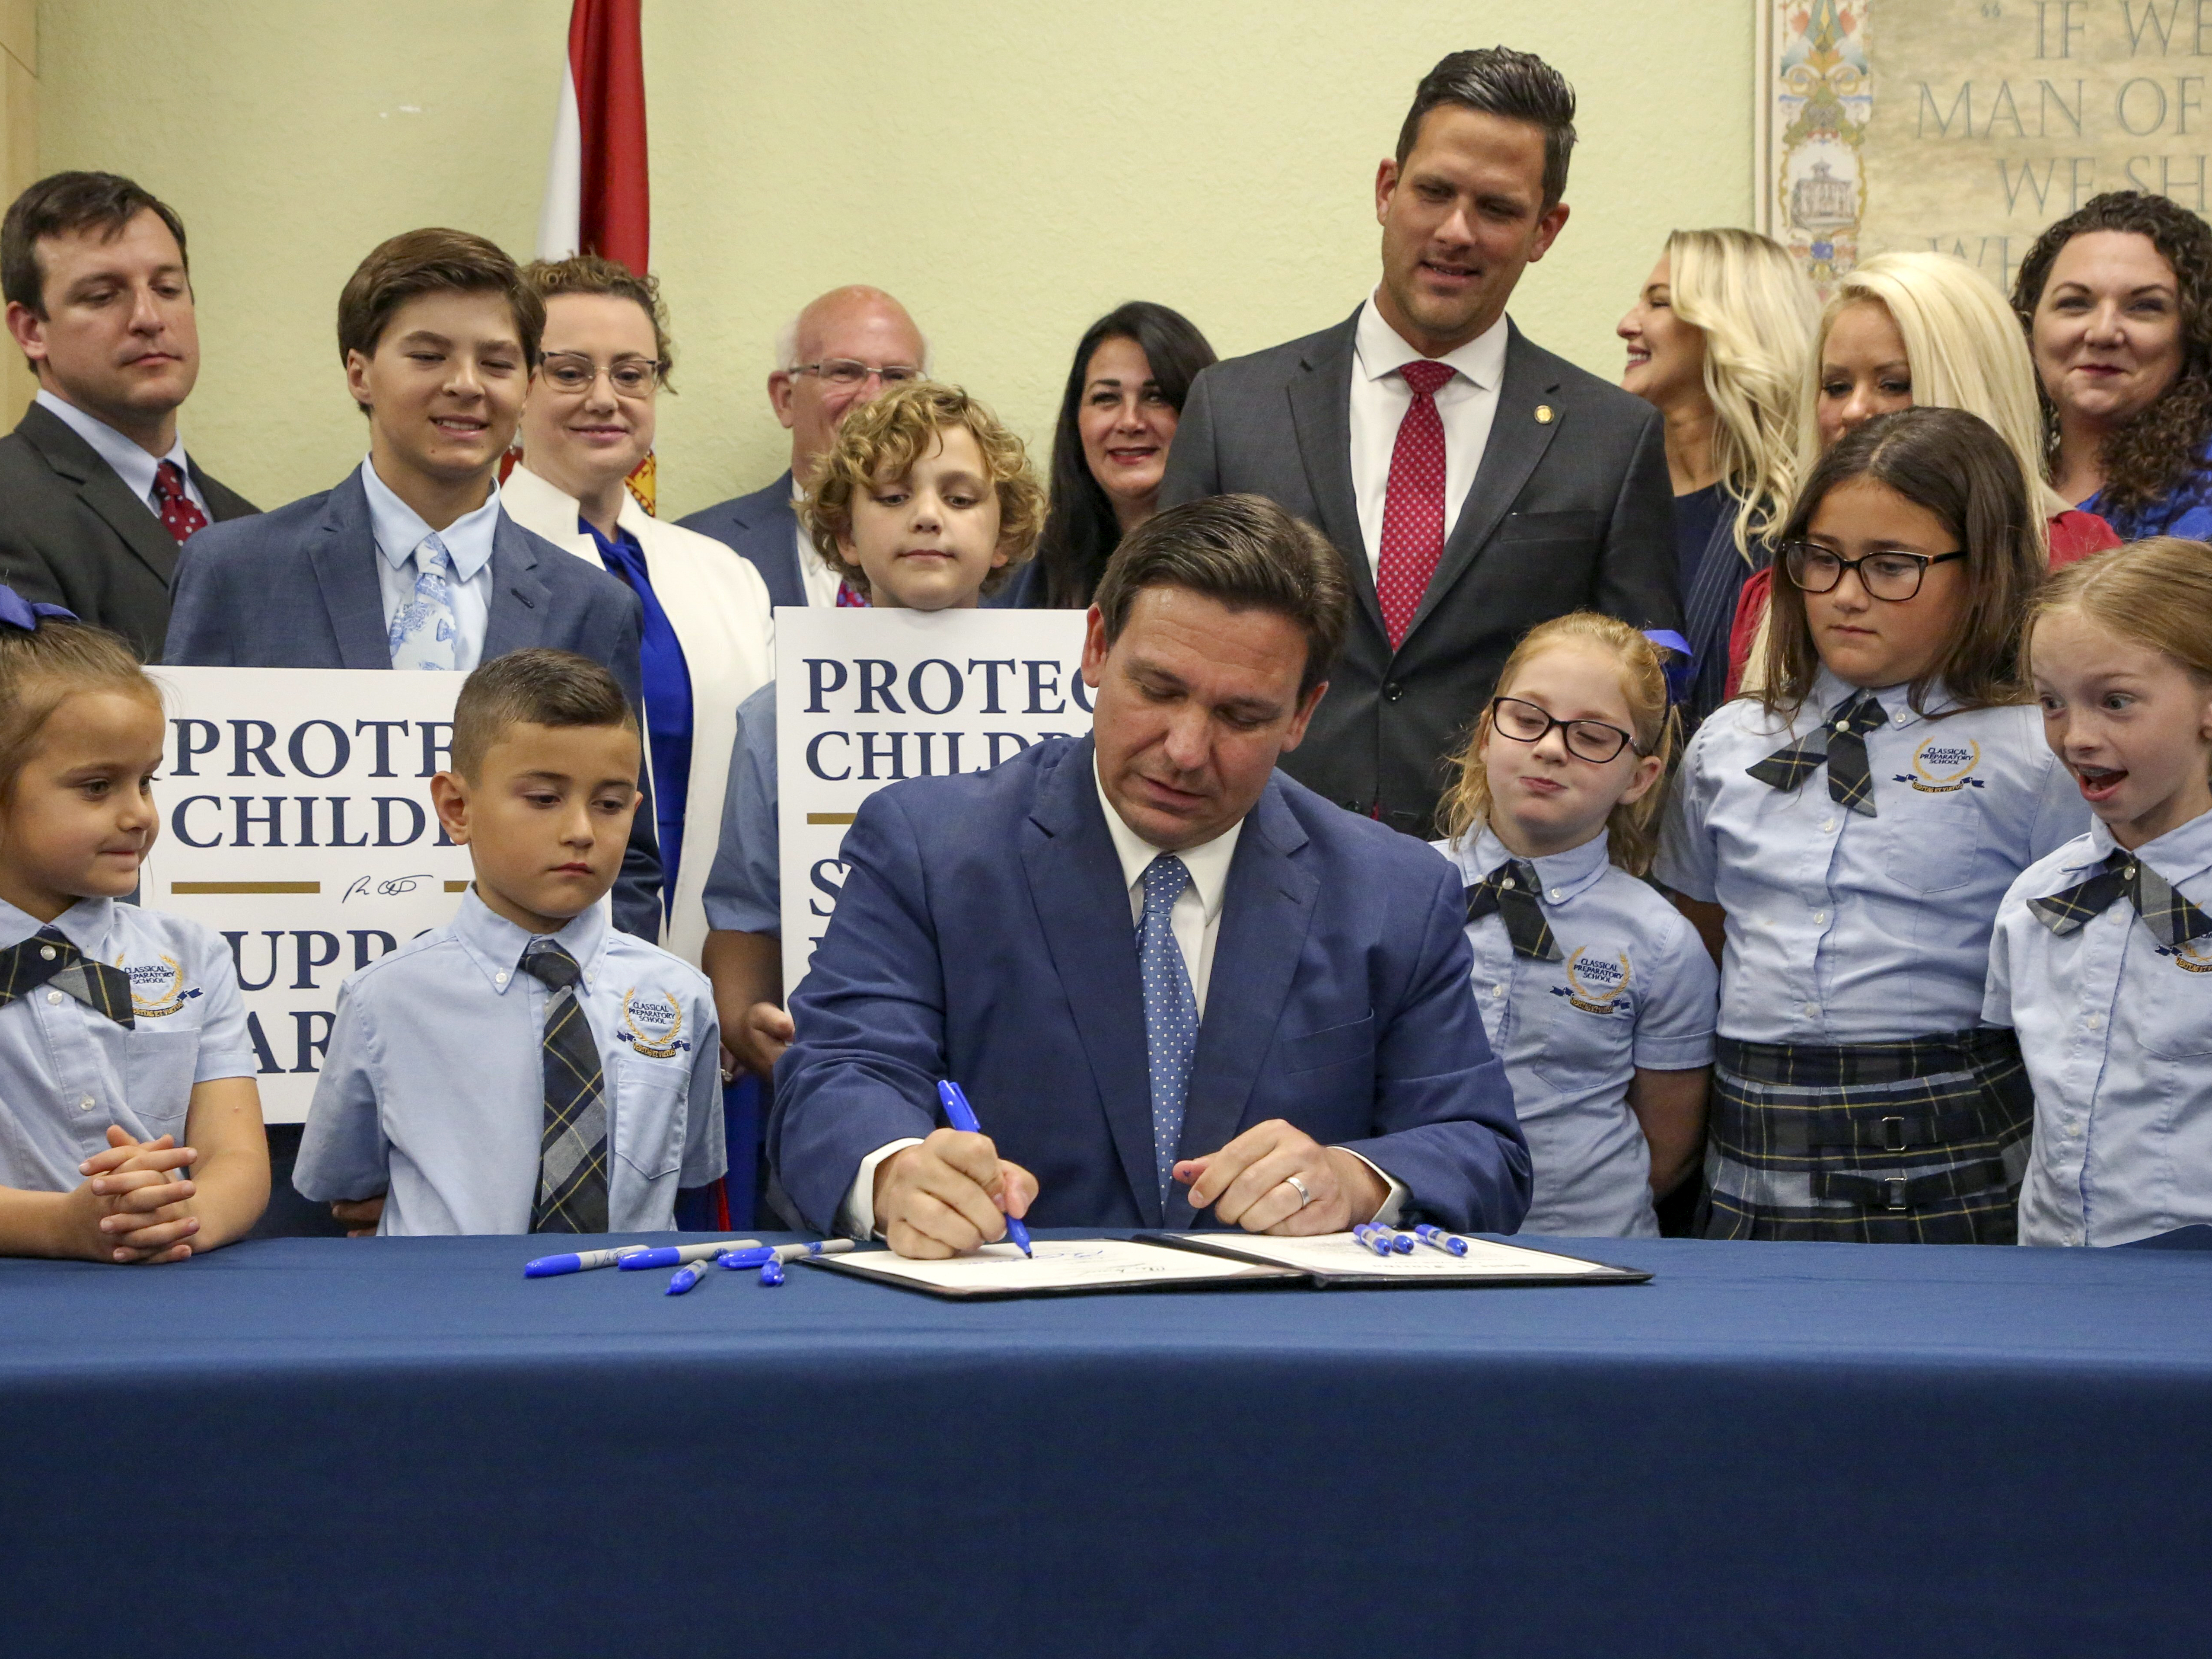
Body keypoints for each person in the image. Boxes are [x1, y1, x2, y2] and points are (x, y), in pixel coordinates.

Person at [771, 493, 1530, 1256]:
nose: (1185, 749)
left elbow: (1479, 1146)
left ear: (1303, 714)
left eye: (1241, 715)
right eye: (1159, 690)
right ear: (1096, 647)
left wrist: (1355, 1179)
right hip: (1007, 1342)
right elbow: (835, 1079)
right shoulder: (931, 847)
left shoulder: (1393, 890)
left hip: (1285, 1349)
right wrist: (898, 1172)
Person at [1161, 47, 1678, 839]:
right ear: (1385, 189)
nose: (1455, 231)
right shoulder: (1234, 408)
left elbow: (1643, 689)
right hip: (1253, 857)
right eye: (1433, 192)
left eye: (1497, 209)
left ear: (1545, 229)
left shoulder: (1612, 440)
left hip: (1497, 895)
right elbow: (1168, 642)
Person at [1655, 407, 2086, 1242]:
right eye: (1821, 560)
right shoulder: (1729, 742)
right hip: (1753, 1147)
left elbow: (2066, 981)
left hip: (1952, 1148)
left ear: (1982, 570)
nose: (1846, 595)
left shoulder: (2035, 751)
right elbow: (1696, 940)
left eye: (1893, 566)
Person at [160, 229, 662, 942]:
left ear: (525, 385)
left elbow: (628, 859)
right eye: (428, 355)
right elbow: (181, 828)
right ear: (360, 372)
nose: (465, 383)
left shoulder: (593, 603)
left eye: (497, 361)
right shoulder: (236, 571)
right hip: (285, 1009)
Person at [293, 649, 724, 1236]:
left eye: (610, 803)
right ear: (457, 806)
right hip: (449, 1315)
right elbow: (345, 1186)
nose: (580, 831)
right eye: (544, 799)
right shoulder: (385, 1001)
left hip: (629, 1313)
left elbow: (690, 1174)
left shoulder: (680, 996)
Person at [701, 381, 1043, 1082]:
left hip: (1037, 1076)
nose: (925, 516)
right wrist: (744, 1018)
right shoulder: (777, 714)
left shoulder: (1074, 707)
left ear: (1004, 534)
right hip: (847, 1074)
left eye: (959, 496)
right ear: (846, 536)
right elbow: (744, 912)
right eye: (891, 497)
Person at [501, 254, 775, 964]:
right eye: (569, 372)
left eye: (631, 374)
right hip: (534, 971)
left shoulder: (726, 575)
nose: (604, 398)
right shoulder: (474, 567)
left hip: (719, 976)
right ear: (515, 387)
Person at [0, 592, 268, 1260]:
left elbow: (237, 1159)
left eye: (146, 781)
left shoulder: (191, 955)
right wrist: (61, 1225)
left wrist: (177, 1219)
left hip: (169, 1291)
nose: (139, 814)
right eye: (97, 787)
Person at [1432, 613, 1714, 1236]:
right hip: (1413, 1237)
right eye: (1528, 720)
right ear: (1487, 733)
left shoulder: (1662, 941)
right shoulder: (1397, 888)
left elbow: (1668, 1148)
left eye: (1591, 737)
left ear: (1638, 778)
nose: (1551, 747)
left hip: (1588, 1247)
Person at [1728, 252, 2121, 697]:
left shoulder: (2072, 558)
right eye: (1836, 387)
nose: (1855, 411)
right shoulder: (1774, 593)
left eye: (1894, 384)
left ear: (1970, 388)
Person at [1991, 539, 2212, 1246]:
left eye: (2115, 702)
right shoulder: (2035, 899)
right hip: (2056, 1285)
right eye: (2051, 703)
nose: (2075, 737)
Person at [0, 172, 256, 661]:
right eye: (102, 296)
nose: (149, 317)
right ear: (31, 329)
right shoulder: (10, 503)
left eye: (167, 287)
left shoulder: (247, 525)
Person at [1616, 228, 1815, 727]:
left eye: (1658, 304)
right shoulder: (1611, 493)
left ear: (1727, 328)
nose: (1626, 325)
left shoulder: (1796, 517)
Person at [677, 285, 929, 607]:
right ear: (786, 399)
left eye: (897, 377)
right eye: (845, 372)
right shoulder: (696, 551)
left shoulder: (993, 560)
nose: (874, 399)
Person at [2014, 191, 2212, 540]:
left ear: (2195, 333)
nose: (2103, 333)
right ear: (2030, 327)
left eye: (2145, 307)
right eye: (2075, 303)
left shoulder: (2202, 497)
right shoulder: (1998, 478)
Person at [1017, 301, 1217, 609]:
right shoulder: (1026, 580)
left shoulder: (1259, 571)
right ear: (1076, 420)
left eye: (1156, 397)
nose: (1130, 422)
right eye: (1106, 398)